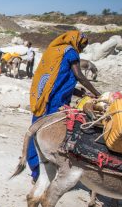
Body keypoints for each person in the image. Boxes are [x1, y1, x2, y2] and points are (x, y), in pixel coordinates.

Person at [26, 30, 101, 181]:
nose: (83, 49)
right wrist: (98, 94)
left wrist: (82, 94)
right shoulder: (71, 52)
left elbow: (58, 81)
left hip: (44, 98)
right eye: (83, 45)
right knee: (52, 136)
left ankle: (36, 170)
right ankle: (47, 173)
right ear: (76, 41)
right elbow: (79, 76)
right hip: (56, 102)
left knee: (36, 132)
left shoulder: (54, 51)